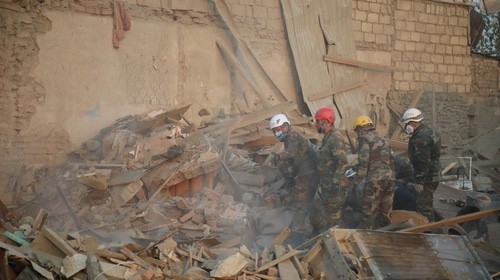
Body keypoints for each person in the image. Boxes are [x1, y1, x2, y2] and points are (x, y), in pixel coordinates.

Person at [269, 113, 321, 236]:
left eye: (279, 129)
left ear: (286, 126)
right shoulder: (288, 139)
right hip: (307, 174)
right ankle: (317, 229)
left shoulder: (293, 137)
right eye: (275, 131)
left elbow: (290, 153)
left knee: (299, 205)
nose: (277, 133)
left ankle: (298, 234)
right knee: (310, 204)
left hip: (307, 175)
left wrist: (279, 157)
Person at [352, 116, 396, 229]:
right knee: (385, 214)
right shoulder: (383, 140)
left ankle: (367, 240)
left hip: (375, 180)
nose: (357, 134)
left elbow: (364, 162)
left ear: (360, 129)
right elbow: (392, 160)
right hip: (390, 179)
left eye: (357, 131)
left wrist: (357, 183)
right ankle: (385, 238)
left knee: (369, 213)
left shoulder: (365, 139)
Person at [400, 108, 441, 222]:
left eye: (406, 124)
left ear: (412, 123)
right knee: (426, 202)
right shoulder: (429, 131)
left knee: (424, 209)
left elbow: (423, 161)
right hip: (434, 173)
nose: (405, 127)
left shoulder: (419, 139)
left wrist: (419, 181)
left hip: (427, 177)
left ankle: (430, 233)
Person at [314, 107, 349, 229]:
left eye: (318, 121)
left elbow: (342, 161)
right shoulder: (327, 137)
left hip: (334, 187)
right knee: (330, 218)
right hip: (328, 185)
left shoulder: (335, 137)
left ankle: (339, 245)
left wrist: (336, 182)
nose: (316, 124)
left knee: (334, 219)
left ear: (326, 122)